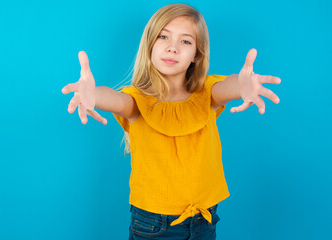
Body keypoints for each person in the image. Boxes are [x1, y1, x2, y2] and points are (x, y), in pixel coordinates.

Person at [61, 3, 281, 240]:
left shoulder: (207, 93)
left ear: (197, 54)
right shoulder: (138, 101)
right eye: (163, 36)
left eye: (185, 41)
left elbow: (226, 87)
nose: (173, 48)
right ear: (150, 45)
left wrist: (242, 85)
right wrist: (93, 95)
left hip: (204, 220)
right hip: (154, 225)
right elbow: (116, 100)